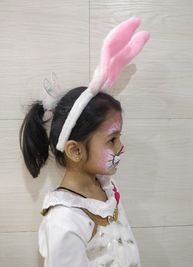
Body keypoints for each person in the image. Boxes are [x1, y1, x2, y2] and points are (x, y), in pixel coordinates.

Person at [19, 17, 150, 267]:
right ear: (75, 151)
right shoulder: (65, 222)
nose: (121, 147)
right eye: (112, 139)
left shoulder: (106, 188)